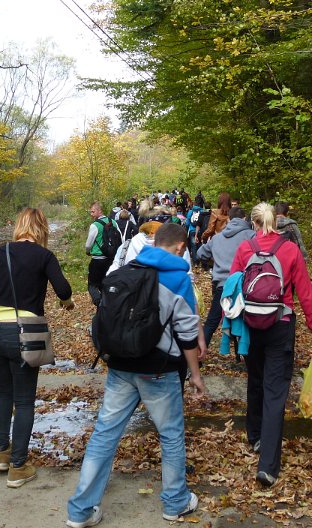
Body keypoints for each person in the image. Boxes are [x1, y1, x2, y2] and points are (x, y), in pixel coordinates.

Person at [66, 223, 205, 528]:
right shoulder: (177, 278)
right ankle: (175, 503)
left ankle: (80, 511)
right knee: (170, 435)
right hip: (159, 370)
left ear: (154, 243)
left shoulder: (127, 269)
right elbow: (186, 333)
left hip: (121, 365)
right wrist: (195, 374)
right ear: (181, 247)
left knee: (105, 433)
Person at [0, 207, 75, 488]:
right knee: (25, 400)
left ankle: (1, 453)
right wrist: (66, 304)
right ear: (42, 228)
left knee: (4, 392)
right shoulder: (44, 256)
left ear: (19, 226)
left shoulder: (0, 252)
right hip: (24, 333)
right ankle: (18, 467)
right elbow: (64, 290)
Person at [229, 202, 312, 489]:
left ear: (254, 223)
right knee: (275, 391)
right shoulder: (290, 249)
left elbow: (232, 287)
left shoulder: (244, 248)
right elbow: (305, 293)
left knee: (255, 378)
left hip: (250, 324)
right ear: (276, 221)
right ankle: (268, 467)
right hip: (280, 325)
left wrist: (230, 328)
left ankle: (254, 435)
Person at [196, 205, 254, 347]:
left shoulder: (217, 238)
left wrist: (214, 261)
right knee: (248, 321)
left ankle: (199, 352)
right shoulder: (251, 236)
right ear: (245, 218)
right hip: (244, 285)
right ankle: (247, 354)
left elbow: (200, 254)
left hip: (222, 285)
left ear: (229, 219)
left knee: (211, 321)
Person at [85, 202, 114, 306]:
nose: (91, 214)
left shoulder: (95, 225)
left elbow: (88, 244)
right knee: (104, 283)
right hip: (111, 259)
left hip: (97, 259)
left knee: (92, 286)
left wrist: (87, 251)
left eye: (93, 212)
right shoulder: (113, 222)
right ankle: (107, 305)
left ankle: (99, 304)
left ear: (99, 210)